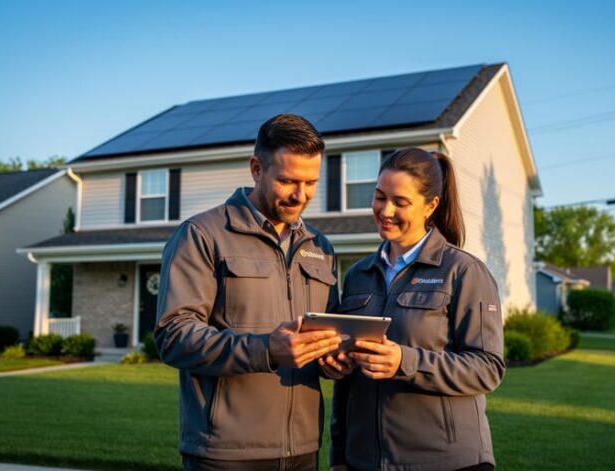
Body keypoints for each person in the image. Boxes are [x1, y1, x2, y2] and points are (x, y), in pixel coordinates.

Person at [155, 113, 349, 470]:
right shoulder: (202, 235)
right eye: (288, 180)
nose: (300, 195)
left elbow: (326, 333)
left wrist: (333, 360)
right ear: (256, 168)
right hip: (225, 453)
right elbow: (173, 335)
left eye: (311, 183)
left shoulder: (320, 246)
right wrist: (265, 350)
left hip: (303, 451)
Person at [329, 148, 506, 471]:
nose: (385, 210)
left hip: (444, 461)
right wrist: (339, 455)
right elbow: (346, 384)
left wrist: (405, 361)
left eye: (400, 202)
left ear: (431, 206)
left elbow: (488, 368)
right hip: (363, 461)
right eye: (380, 197)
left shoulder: (464, 272)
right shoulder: (358, 275)